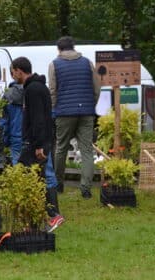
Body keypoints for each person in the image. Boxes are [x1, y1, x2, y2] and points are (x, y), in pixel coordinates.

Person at [10, 56, 64, 232]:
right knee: (37, 177)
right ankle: (35, 220)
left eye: (13, 72)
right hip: (38, 140)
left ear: (19, 70)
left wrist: (39, 145)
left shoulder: (33, 89)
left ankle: (52, 214)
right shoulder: (38, 87)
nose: (13, 76)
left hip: (36, 142)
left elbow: (39, 118)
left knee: (28, 175)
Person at [48, 36, 101, 199]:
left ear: (59, 49)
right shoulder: (87, 63)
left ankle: (58, 184)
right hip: (86, 112)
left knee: (61, 148)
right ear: (74, 47)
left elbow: (52, 91)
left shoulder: (54, 64)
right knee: (86, 150)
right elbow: (96, 88)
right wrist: (91, 104)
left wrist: (54, 109)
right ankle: (85, 187)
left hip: (64, 112)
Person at [0, 77, 61, 208]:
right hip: (36, 138)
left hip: (17, 138)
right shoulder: (38, 91)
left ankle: (25, 206)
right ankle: (52, 206)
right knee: (47, 171)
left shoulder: (9, 95)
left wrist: (5, 140)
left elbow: (4, 122)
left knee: (20, 173)